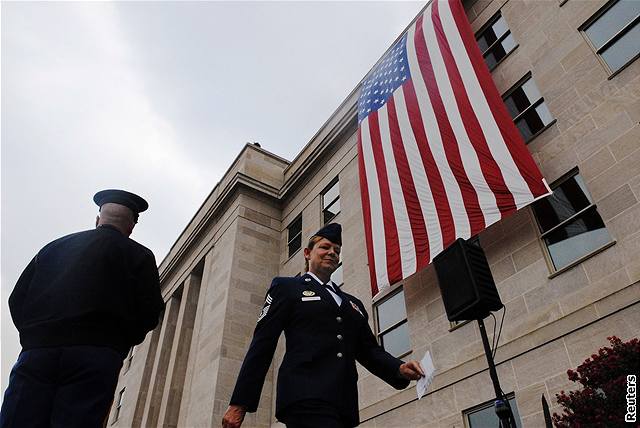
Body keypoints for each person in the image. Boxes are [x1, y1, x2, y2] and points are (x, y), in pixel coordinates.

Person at [222, 223, 424, 428]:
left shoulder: (353, 304)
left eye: (337, 250)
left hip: (343, 404)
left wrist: (399, 368)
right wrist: (240, 403)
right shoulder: (287, 288)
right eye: (325, 247)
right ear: (308, 253)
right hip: (305, 397)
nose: (332, 253)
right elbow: (263, 343)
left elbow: (369, 350)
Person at [0, 189, 165, 428]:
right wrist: (116, 343)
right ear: (131, 227)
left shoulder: (53, 248)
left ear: (98, 220)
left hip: (38, 352)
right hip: (97, 355)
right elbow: (150, 312)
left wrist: (36, 336)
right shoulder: (140, 255)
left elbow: (17, 299)